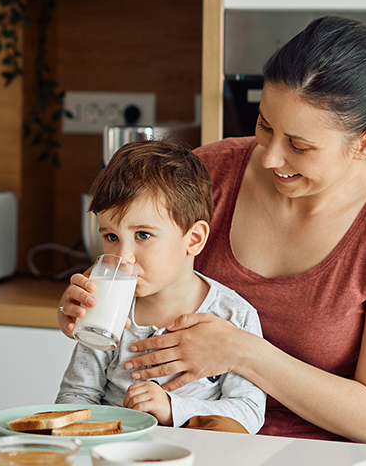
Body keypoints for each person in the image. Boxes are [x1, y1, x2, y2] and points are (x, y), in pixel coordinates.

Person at [58, 15, 366, 444]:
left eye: (300, 146)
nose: (269, 158)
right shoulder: (209, 172)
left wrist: (243, 352)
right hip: (184, 446)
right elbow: (139, 264)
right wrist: (90, 307)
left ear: (365, 143)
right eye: (265, 126)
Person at [55, 140, 266, 433]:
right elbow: (75, 397)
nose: (122, 257)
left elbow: (249, 412)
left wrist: (172, 408)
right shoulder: (106, 307)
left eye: (142, 235)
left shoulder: (233, 315)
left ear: (193, 239)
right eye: (111, 237)